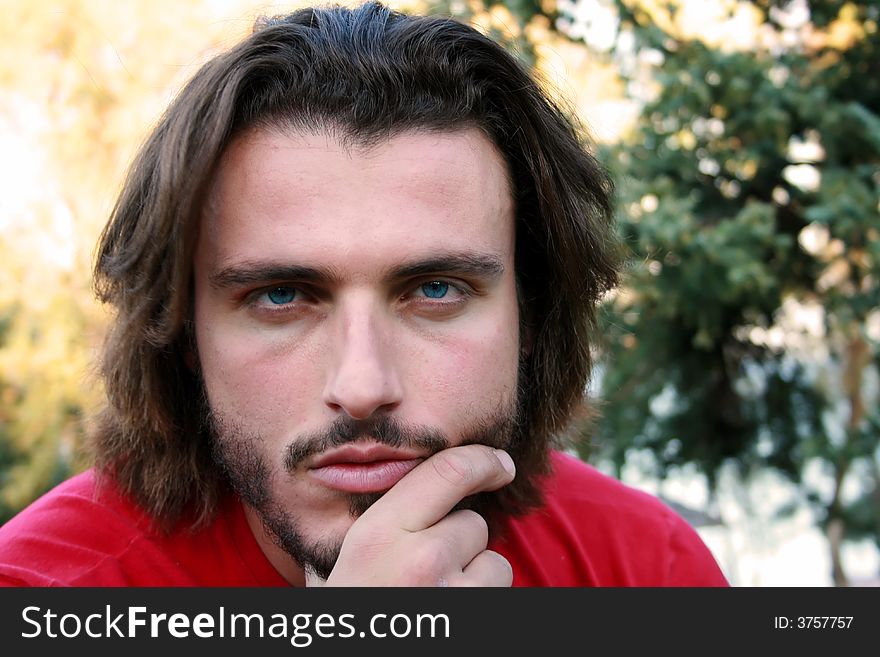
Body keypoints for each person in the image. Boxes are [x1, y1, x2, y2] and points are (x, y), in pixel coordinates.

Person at [0, 1, 727, 587]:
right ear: (185, 334)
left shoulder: (645, 570)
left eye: (435, 288)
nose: (363, 387)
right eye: (281, 295)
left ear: (531, 314)